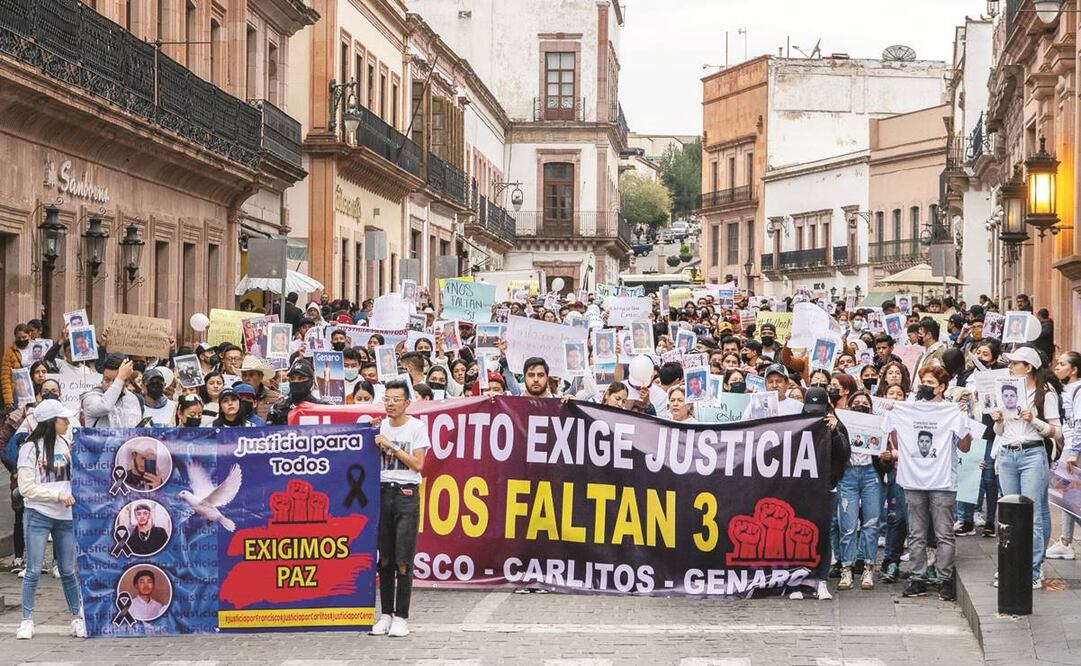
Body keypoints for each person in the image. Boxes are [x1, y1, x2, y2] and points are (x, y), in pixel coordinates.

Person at [883, 365, 974, 602]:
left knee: (944, 533)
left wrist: (964, 419)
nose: (925, 387)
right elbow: (890, 436)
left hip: (943, 481)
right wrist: (892, 410)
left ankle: (944, 579)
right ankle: (917, 578)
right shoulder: (907, 409)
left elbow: (965, 447)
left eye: (931, 383)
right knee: (915, 533)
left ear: (942, 387)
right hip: (912, 480)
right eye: (923, 382)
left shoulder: (951, 411)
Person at [992, 345, 1061, 588]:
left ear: (1028, 367)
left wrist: (1034, 420)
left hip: (1032, 452)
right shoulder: (1005, 390)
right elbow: (1000, 431)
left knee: (1032, 512)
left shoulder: (1046, 393)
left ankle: (1033, 569)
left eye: (1014, 364)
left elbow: (1056, 431)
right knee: (1009, 512)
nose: (1010, 368)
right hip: (1008, 452)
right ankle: (1010, 565)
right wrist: (998, 421)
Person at [16, 399, 85, 639]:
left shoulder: (66, 444)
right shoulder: (30, 448)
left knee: (67, 570)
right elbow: (26, 487)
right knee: (33, 569)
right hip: (38, 514)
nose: (67, 422)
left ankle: (76, 617)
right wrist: (56, 495)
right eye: (62, 419)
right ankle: (27, 619)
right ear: (50, 422)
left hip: (65, 516)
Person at [370, 380, 430, 638]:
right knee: (384, 559)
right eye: (387, 399)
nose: (391, 403)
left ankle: (402, 617)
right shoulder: (379, 426)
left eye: (396, 399)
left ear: (407, 402)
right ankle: (385, 614)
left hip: (406, 495)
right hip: (383, 493)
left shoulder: (417, 427)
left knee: (403, 560)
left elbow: (418, 465)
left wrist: (391, 445)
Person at [1052, 351, 1081, 559]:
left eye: (1062, 364)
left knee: (1069, 495)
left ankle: (1065, 542)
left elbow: (1078, 422)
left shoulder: (1078, 390)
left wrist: (1073, 451)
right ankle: (1065, 541)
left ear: (1074, 369)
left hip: (1074, 450)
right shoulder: (1066, 389)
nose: (1058, 367)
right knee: (1067, 495)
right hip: (1069, 448)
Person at [82, 356, 143, 428]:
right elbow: (105, 407)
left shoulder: (133, 398)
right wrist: (120, 378)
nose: (111, 385)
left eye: (115, 381)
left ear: (126, 382)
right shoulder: (90, 399)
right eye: (107, 380)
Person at [239, 356, 282, 421]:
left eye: (251, 374)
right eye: (244, 375)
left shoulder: (276, 398)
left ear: (261, 377)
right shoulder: (235, 397)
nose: (247, 378)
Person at [2, 323, 30, 408]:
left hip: (35, 389)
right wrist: (8, 399)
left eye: (24, 337)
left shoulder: (36, 349)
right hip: (18, 391)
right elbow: (5, 377)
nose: (21, 340)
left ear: (29, 335)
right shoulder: (10, 353)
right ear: (15, 337)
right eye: (19, 338)